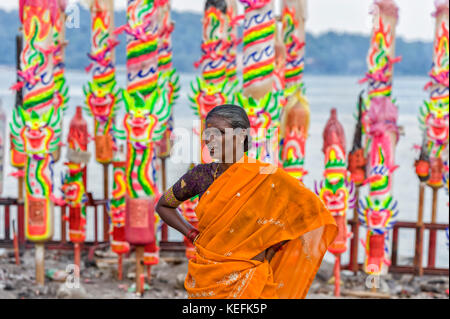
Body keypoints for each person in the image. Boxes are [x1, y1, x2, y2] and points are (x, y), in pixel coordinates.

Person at [155, 104, 337, 299]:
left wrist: (273, 248)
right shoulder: (201, 175)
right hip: (206, 277)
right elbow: (163, 205)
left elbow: (308, 213)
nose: (210, 139)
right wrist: (192, 234)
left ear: (241, 136)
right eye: (208, 132)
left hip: (251, 277)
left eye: (220, 133)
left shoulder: (266, 175)